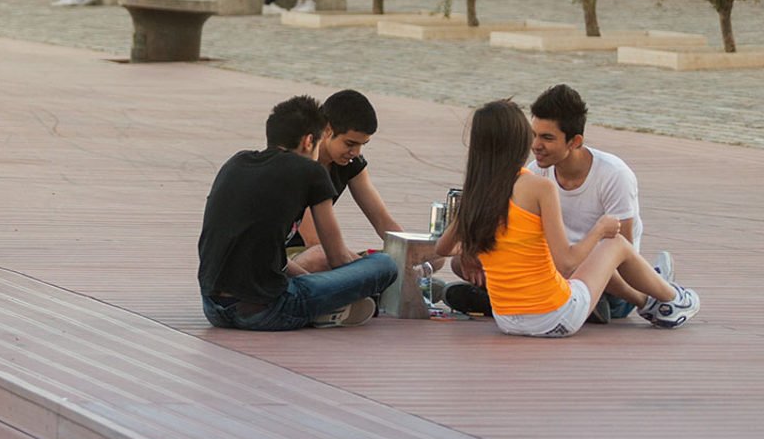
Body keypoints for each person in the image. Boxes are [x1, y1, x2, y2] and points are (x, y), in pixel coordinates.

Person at [431, 100, 697, 337]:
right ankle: (674, 300)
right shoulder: (538, 186)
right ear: (520, 140)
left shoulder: (476, 194)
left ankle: (653, 299)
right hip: (554, 316)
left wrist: (471, 254)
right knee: (614, 244)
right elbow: (567, 262)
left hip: (507, 320)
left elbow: (443, 248)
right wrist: (600, 229)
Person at [197, 95, 399, 331]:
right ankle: (327, 307)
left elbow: (272, 257)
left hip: (213, 309)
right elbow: (337, 258)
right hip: (269, 311)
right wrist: (342, 287)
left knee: (311, 280)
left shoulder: (236, 162)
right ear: (308, 141)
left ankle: (327, 307)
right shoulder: (310, 171)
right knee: (384, 264)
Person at [287, 91, 405, 272]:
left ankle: (398, 282)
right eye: (350, 144)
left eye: (362, 145)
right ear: (327, 130)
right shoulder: (300, 161)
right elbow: (315, 242)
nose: (356, 152)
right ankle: (387, 283)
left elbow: (383, 221)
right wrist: (376, 270)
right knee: (321, 256)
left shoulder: (350, 163)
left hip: (329, 254)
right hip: (288, 256)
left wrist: (408, 252)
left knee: (425, 255)